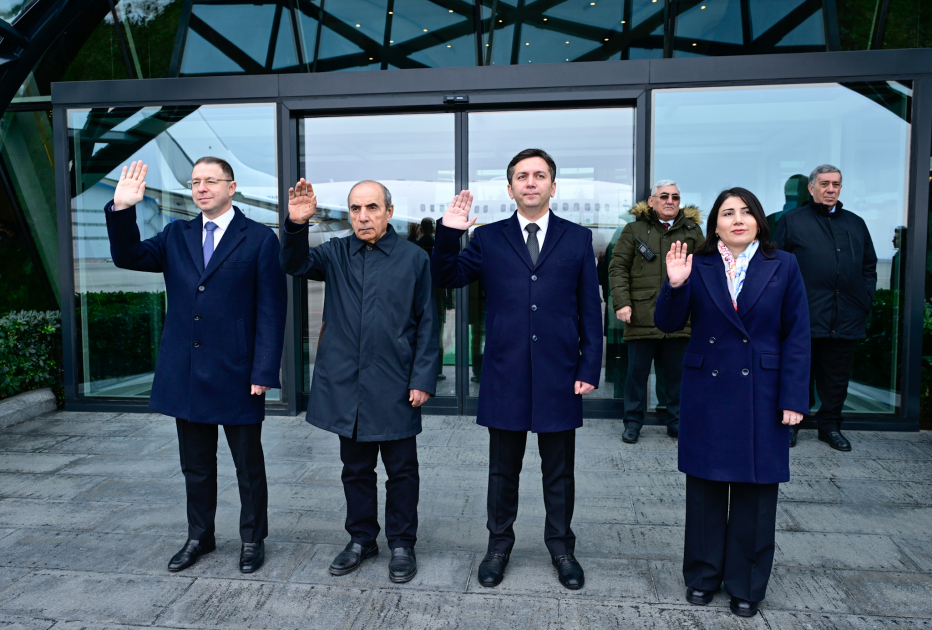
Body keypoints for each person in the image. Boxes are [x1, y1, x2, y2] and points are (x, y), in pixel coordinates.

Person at [431, 148, 602, 591]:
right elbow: (446, 276)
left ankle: (562, 548)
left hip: (560, 374)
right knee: (502, 471)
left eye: (539, 175)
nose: (530, 182)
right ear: (510, 188)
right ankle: (498, 546)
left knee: (559, 471)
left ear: (552, 186)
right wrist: (449, 234)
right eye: (522, 176)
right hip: (505, 373)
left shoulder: (578, 239)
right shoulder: (488, 239)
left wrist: (590, 366)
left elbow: (589, 311)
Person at [105, 158, 287, 574]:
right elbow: (128, 256)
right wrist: (122, 210)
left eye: (210, 181)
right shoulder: (176, 234)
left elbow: (272, 313)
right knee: (196, 465)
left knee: (248, 466)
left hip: (238, 374)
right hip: (186, 372)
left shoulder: (258, 239)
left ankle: (252, 539)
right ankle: (199, 537)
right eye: (195, 182)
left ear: (232, 186)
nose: (201, 188)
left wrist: (263, 372)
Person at [655, 187, 809, 618]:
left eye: (745, 212)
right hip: (708, 388)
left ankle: (747, 583)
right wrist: (675, 284)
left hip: (763, 389)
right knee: (705, 489)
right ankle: (703, 575)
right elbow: (666, 323)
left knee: (756, 495)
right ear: (715, 225)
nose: (737, 219)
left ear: (759, 220)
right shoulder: (697, 263)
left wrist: (794, 397)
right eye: (727, 213)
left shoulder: (784, 265)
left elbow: (797, 335)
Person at [280, 178, 439, 584]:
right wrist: (296, 225)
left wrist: (422, 378)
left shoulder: (413, 258)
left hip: (396, 382)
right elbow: (295, 264)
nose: (363, 216)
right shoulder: (335, 253)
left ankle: (402, 543)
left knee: (402, 470)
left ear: (388, 211)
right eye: (355, 209)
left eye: (371, 208)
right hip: (345, 383)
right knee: (355, 469)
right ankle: (361, 538)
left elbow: (427, 323)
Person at [774, 165, 877, 451]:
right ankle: (792, 426)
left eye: (836, 184)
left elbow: (869, 265)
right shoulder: (792, 221)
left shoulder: (855, 223)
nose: (831, 189)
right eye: (824, 184)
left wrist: (864, 299)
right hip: (803, 316)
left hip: (846, 315)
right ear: (811, 188)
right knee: (798, 374)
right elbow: (775, 267)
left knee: (836, 378)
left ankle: (830, 427)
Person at [608, 180, 703, 443]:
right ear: (652, 201)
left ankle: (676, 422)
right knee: (636, 376)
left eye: (675, 196)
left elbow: (705, 272)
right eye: (664, 196)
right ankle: (633, 423)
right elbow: (617, 269)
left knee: (677, 377)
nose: (670, 200)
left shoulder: (693, 231)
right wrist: (622, 302)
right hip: (640, 315)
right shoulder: (632, 229)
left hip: (681, 317)